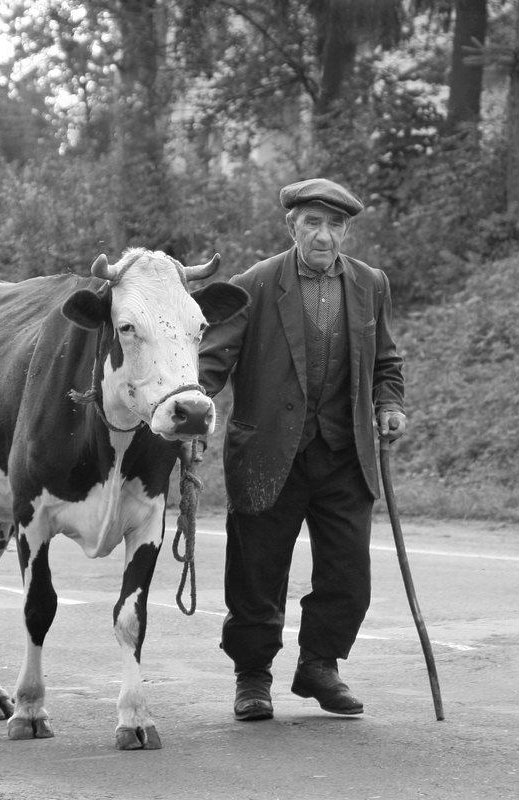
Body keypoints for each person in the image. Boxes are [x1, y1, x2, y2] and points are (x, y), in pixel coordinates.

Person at [199, 177, 407, 721]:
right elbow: (212, 363)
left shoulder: (370, 284)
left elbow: (387, 361)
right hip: (268, 451)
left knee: (347, 574)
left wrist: (389, 403)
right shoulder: (255, 284)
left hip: (344, 453)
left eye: (334, 224)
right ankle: (252, 678)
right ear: (291, 225)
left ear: (346, 231)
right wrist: (191, 411)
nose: (324, 235)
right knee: (256, 574)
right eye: (312, 222)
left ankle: (319, 666)